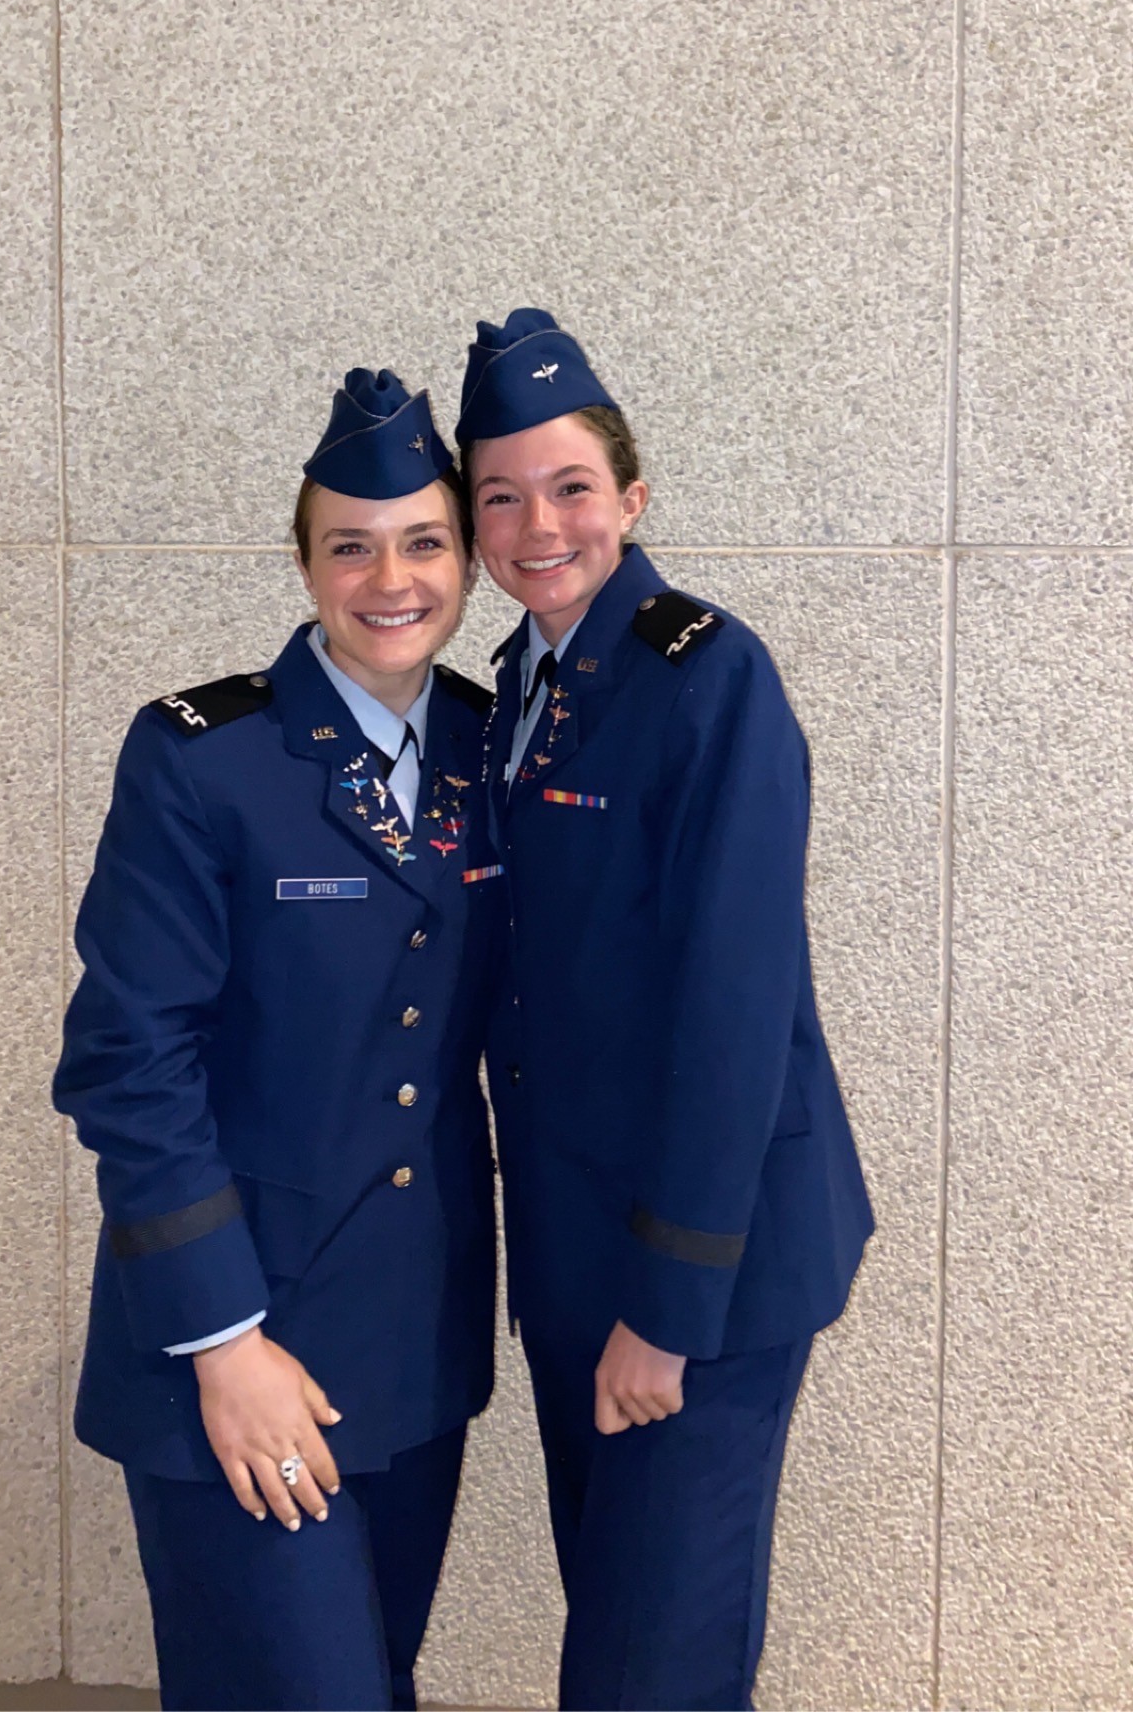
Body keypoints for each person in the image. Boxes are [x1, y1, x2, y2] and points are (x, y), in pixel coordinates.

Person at [54, 369, 502, 1712]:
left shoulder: (490, 746)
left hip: (414, 1344)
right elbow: (130, 1062)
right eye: (350, 545)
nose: (391, 578)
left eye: (425, 541)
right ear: (305, 563)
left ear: (466, 560)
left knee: (378, 1678)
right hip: (238, 1347)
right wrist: (222, 1343)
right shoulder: (203, 758)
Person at [455, 309, 875, 1712]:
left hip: (707, 1261)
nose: (537, 522)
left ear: (632, 499)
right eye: (499, 495)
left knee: (655, 1665)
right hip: (585, 1247)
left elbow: (733, 1014)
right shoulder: (523, 686)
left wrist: (670, 1308)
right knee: (624, 1615)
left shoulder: (707, 678)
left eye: (571, 486)